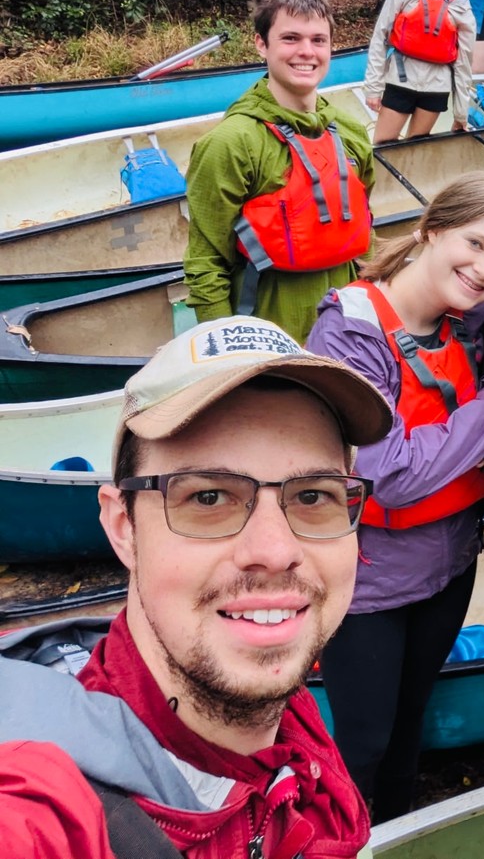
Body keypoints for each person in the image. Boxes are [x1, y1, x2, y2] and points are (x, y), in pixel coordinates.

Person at [0, 314, 395, 858]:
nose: (275, 551)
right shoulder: (39, 809)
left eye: (312, 496)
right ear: (124, 527)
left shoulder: (291, 727)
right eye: (208, 497)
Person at [305, 173, 484, 822]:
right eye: (474, 243)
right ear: (431, 230)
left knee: (410, 725)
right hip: (369, 585)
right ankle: (336, 838)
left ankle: (398, 831)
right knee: (364, 742)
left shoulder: (472, 322)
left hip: (449, 567)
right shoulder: (350, 332)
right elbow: (390, 472)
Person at [184, 0, 375, 342]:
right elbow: (205, 264)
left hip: (347, 329)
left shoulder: (353, 133)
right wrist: (229, 350)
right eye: (290, 38)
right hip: (267, 335)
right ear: (261, 44)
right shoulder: (231, 143)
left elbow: (365, 233)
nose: (307, 51)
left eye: (318, 40)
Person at [363, 0, 476, 144]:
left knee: (415, 148)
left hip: (437, 86)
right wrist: (374, 88)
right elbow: (380, 38)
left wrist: (460, 114)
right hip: (400, 78)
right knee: (383, 146)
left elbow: (464, 63)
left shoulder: (462, 7)